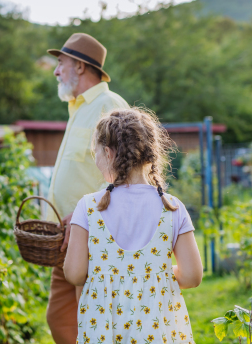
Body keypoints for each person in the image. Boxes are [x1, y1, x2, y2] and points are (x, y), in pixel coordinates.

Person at [63, 107, 203, 344]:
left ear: (108, 153)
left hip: (104, 329)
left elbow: (75, 273)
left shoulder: (89, 207)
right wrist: (151, 276)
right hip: (158, 330)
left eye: (94, 153)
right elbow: (191, 276)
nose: (95, 159)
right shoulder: (172, 207)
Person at [46, 33, 129, 344]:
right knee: (61, 318)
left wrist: (87, 217)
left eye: (60, 63)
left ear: (79, 66)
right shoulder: (78, 107)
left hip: (93, 236)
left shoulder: (110, 105)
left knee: (91, 320)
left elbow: (123, 176)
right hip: (68, 237)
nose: (56, 71)